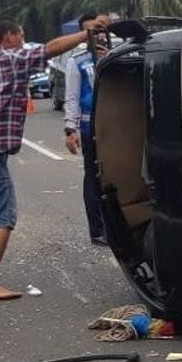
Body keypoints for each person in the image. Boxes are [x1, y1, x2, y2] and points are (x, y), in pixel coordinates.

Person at [0, 15, 111, 301]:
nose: (23, 40)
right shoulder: (10, 60)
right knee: (2, 215)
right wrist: (85, 34)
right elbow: (50, 48)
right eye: (21, 35)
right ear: (9, 36)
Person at [63, 13, 108, 245]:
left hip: (116, 125)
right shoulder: (77, 61)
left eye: (98, 30)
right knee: (94, 177)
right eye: (90, 31)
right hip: (91, 126)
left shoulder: (114, 55)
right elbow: (71, 98)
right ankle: (97, 230)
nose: (96, 35)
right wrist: (70, 130)